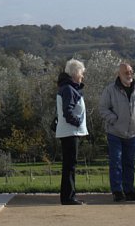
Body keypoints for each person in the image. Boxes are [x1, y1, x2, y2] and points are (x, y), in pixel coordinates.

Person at [99, 61, 135, 202]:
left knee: (129, 163)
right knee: (116, 162)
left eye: (130, 72)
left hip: (132, 133)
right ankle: (117, 191)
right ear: (119, 74)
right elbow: (103, 108)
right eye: (126, 72)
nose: (129, 75)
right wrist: (113, 119)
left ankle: (129, 190)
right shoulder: (110, 90)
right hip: (115, 133)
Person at [55, 58, 88, 206]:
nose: (82, 76)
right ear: (75, 73)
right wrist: (78, 121)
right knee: (70, 165)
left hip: (69, 132)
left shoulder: (67, 88)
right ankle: (68, 197)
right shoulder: (68, 89)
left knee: (69, 165)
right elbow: (67, 112)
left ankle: (68, 196)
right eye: (81, 73)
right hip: (70, 132)